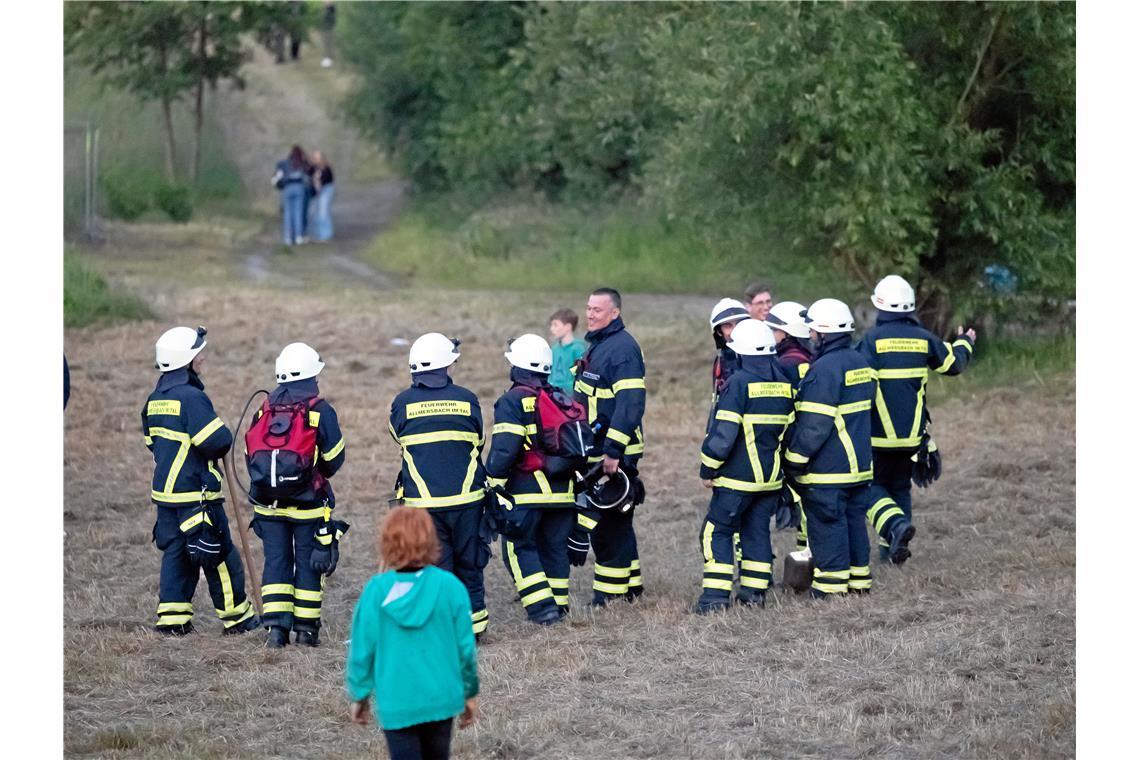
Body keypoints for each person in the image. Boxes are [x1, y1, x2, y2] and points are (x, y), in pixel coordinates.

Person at [141, 326, 259, 635]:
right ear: (186, 361)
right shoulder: (191, 398)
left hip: (166, 496)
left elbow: (151, 442)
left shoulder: (155, 398)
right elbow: (217, 441)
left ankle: (172, 621)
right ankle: (238, 619)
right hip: (196, 494)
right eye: (198, 354)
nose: (202, 358)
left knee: (177, 554)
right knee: (219, 555)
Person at [857, 275, 976, 564]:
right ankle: (893, 552)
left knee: (868, 489)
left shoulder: (871, 341)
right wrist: (965, 343)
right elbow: (952, 363)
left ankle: (895, 527)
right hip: (911, 438)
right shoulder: (923, 339)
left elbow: (856, 381)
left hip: (876, 437)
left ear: (880, 307)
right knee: (899, 488)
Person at [347, 508, 479, 760]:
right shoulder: (450, 586)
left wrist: (359, 695)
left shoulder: (376, 591)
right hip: (441, 700)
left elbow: (362, 651)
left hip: (397, 703)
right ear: (431, 540)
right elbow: (466, 649)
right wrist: (470, 693)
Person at [389, 333, 490, 637]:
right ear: (447, 365)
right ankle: (474, 627)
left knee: (437, 565)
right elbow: (479, 439)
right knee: (470, 564)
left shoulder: (402, 403)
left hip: (424, 503)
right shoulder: (467, 398)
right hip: (468, 500)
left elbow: (397, 435)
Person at [247, 342, 347, 648]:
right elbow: (335, 458)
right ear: (312, 375)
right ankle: (306, 632)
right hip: (308, 505)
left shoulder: (263, 408)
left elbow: (250, 453)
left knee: (275, 563)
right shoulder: (320, 410)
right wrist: (313, 477)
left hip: (268, 505)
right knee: (308, 564)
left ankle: (276, 631)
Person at [695, 320, 796, 613]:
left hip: (736, 481)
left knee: (716, 532)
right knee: (756, 533)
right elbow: (789, 433)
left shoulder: (738, 383)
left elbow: (723, 434)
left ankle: (714, 600)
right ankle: (754, 594)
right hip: (770, 481)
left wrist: (707, 468)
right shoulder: (784, 384)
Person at [781, 299, 876, 598]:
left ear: (825, 333)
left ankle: (830, 588)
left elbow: (814, 427)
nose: (809, 337)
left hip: (829, 471)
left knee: (828, 524)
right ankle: (859, 582)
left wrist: (794, 461)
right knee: (854, 523)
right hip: (859, 467)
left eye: (812, 332)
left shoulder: (823, 371)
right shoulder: (861, 363)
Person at [485, 334, 578, 624]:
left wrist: (494, 482)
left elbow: (505, 448)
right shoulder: (561, 397)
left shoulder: (512, 401)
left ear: (517, 366)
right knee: (554, 548)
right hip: (564, 492)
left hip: (527, 492)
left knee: (518, 546)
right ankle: (559, 605)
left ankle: (542, 610)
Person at [569, 288, 648, 605]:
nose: (590, 314)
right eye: (588, 308)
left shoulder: (622, 350)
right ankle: (632, 585)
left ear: (614, 313)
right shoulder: (601, 345)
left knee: (608, 523)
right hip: (599, 446)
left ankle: (609, 594)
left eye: (597, 310)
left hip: (615, 451)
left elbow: (630, 406)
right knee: (619, 519)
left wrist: (614, 451)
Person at [763, 301, 814, 552]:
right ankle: (808, 555)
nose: (769, 335)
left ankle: (809, 559)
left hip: (790, 444)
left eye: (774, 330)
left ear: (788, 333)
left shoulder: (783, 366)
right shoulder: (813, 360)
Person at [706, 298, 750, 431]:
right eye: (728, 326)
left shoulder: (760, 356)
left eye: (739, 324)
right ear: (719, 332)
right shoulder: (721, 361)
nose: (735, 330)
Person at [272, 146, 311, 246]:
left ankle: (288, 238)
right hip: (299, 187)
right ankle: (298, 237)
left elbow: (277, 176)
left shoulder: (284, 164)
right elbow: (308, 175)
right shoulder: (302, 164)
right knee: (298, 213)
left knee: (287, 214)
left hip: (287, 188)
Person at [548, 308, 586, 394]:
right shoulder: (554, 349)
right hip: (552, 395)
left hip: (569, 398)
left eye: (555, 325)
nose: (551, 329)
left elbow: (580, 376)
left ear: (568, 327)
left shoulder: (578, 349)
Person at [310, 151, 336, 242]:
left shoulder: (326, 168)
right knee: (315, 214)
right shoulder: (313, 168)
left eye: (318, 157)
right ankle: (320, 234)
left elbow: (329, 181)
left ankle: (326, 235)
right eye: (315, 157)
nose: (317, 159)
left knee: (323, 212)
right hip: (318, 192)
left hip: (326, 190)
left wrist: (318, 181)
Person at [320, 2, 336, 67]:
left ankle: (328, 58)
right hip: (325, 29)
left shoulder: (331, 10)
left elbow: (331, 20)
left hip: (328, 29)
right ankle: (327, 57)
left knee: (328, 43)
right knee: (325, 43)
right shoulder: (326, 9)